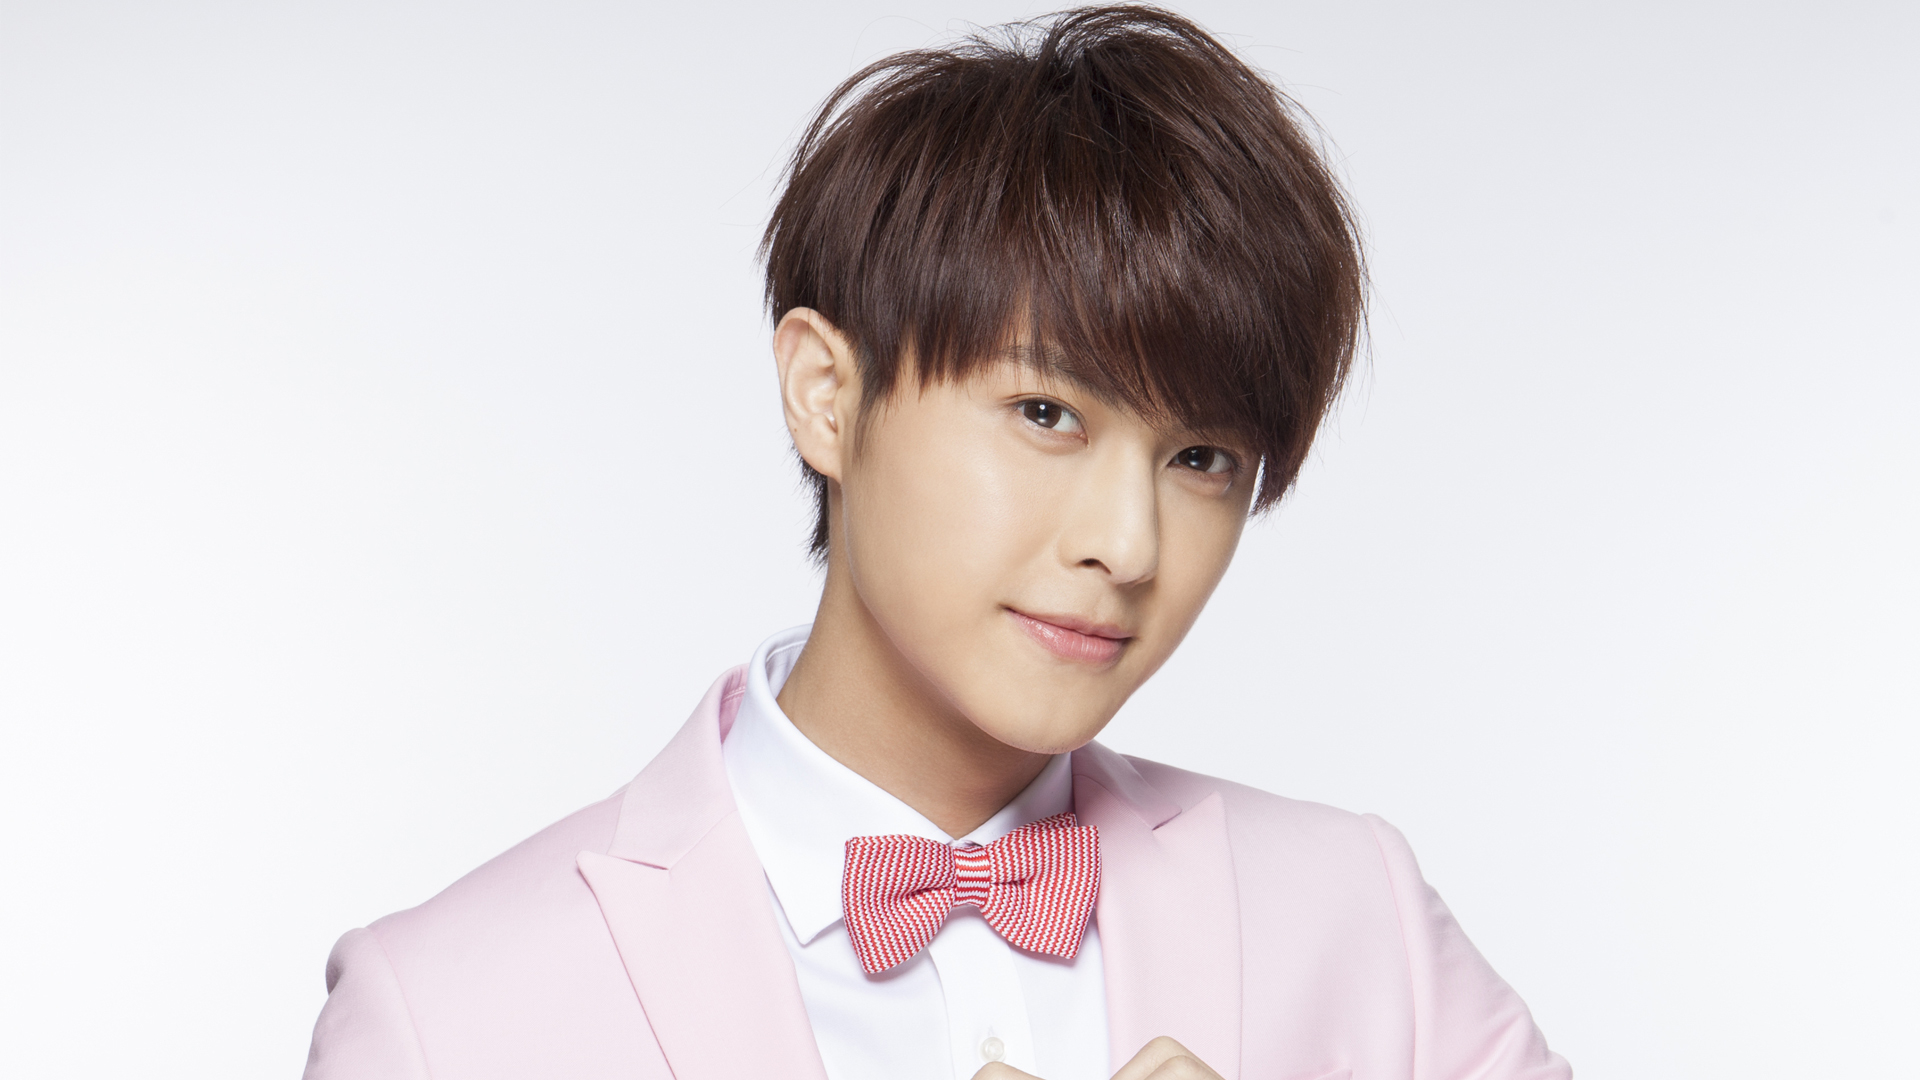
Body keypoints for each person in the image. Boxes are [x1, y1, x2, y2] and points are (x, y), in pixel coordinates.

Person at [302, 7, 1570, 1080]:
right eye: (1047, 414)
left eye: (1202, 460)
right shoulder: (445, 1014)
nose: (1128, 545)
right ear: (826, 394)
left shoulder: (1358, 919)